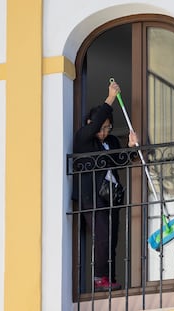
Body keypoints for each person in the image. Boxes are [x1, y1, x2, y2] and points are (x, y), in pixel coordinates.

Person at [72, 81, 138, 291]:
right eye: (101, 127)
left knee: (111, 238)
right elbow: (94, 126)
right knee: (101, 235)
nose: (104, 131)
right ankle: (99, 277)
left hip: (111, 194)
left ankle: (109, 278)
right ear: (91, 123)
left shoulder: (111, 142)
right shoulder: (83, 138)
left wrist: (130, 148)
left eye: (108, 128)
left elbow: (122, 160)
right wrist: (110, 98)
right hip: (92, 194)